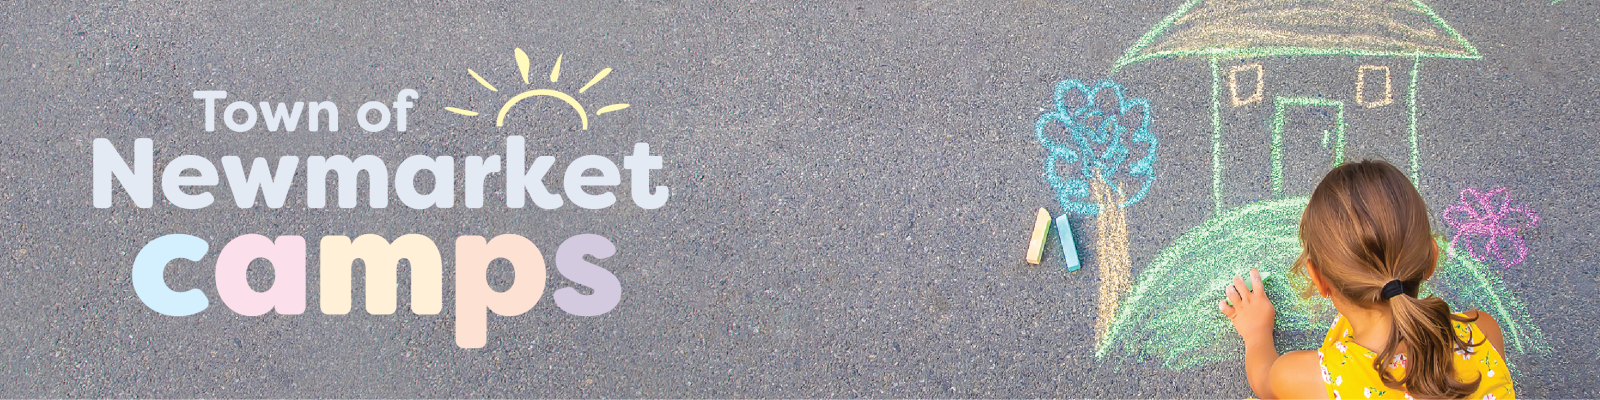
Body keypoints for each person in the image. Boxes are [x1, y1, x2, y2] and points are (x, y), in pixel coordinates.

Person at [1218, 160, 1515, 399]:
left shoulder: (1310, 379)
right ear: (1432, 259)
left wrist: (1256, 332)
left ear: (1319, 280)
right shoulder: (1482, 332)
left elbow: (1265, 383)